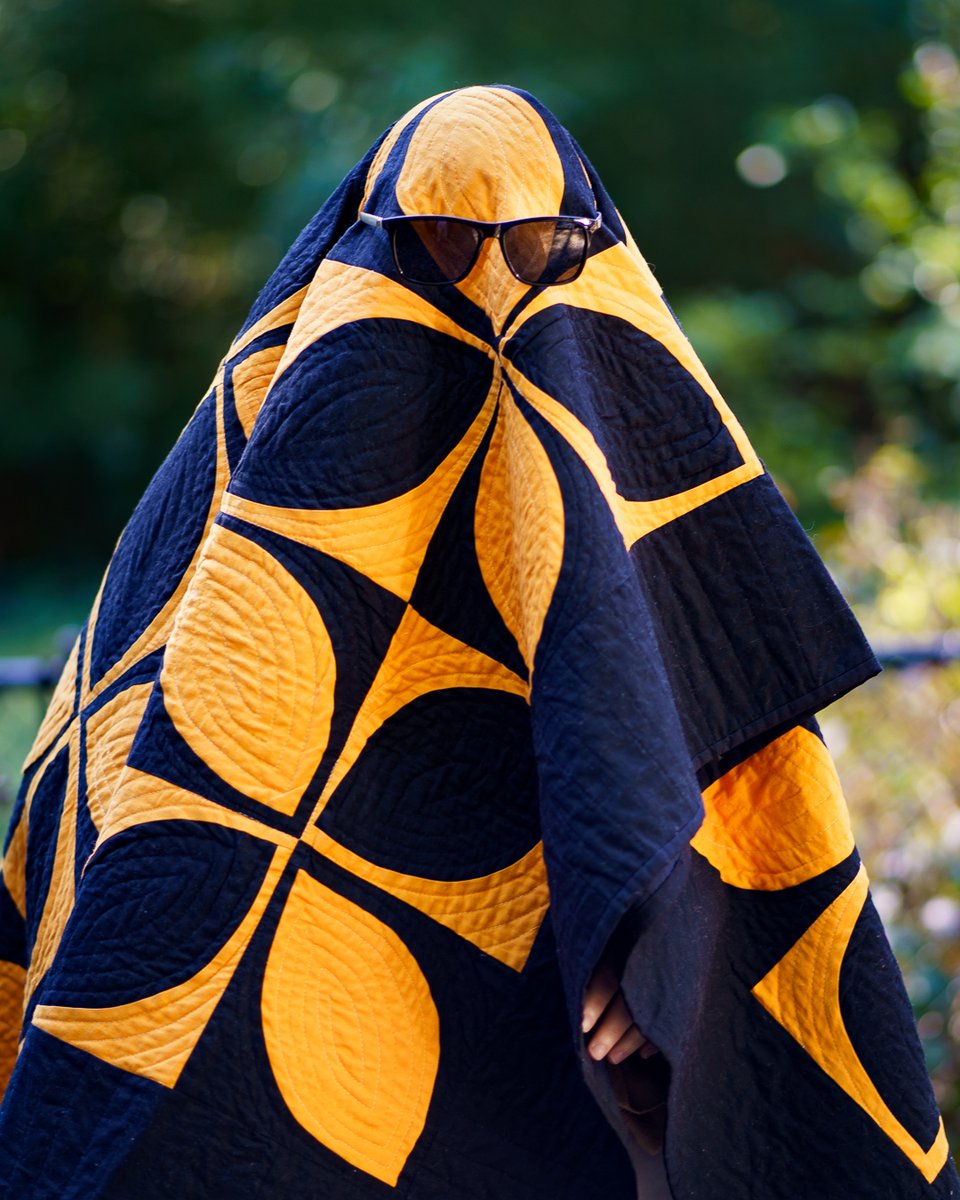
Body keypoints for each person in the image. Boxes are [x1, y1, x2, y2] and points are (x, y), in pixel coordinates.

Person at [0, 84, 955, 1200]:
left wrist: (665, 968)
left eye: (542, 246)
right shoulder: (215, 533)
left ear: (587, 253)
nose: (490, 289)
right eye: (442, 240)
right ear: (366, 250)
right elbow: (130, 838)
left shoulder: (638, 499)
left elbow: (741, 805)